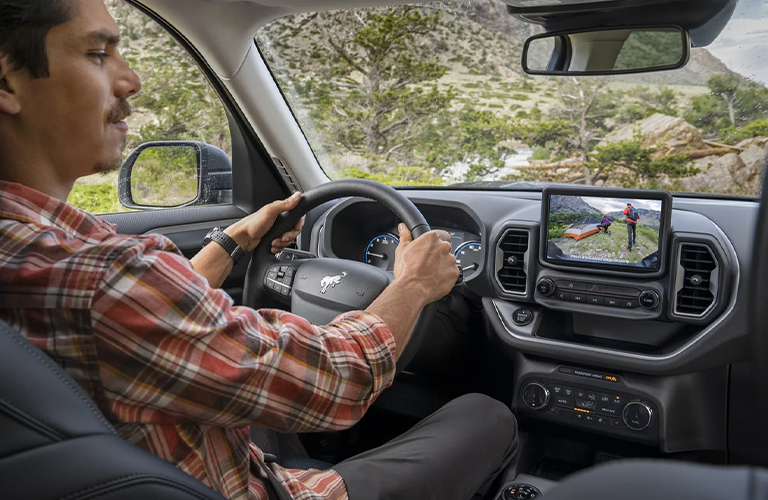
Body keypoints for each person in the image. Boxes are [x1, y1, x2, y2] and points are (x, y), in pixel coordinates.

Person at [0, 1, 517, 500]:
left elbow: (145, 323)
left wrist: (230, 242)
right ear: (6, 81)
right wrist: (412, 286)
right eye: (98, 54)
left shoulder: (42, 257)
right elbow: (337, 384)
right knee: (487, 415)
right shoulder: (102, 279)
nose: (131, 79)